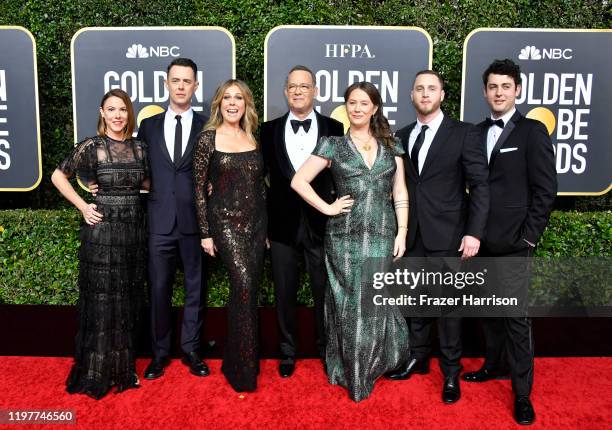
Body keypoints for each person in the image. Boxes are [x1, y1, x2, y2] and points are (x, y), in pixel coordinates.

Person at [291, 81, 409, 402]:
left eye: (364, 103)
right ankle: (351, 371)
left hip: (383, 233)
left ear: (374, 108)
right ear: (346, 107)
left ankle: (371, 364)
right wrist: (327, 207)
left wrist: (402, 232)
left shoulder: (392, 146)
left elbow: (399, 192)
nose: (357, 108)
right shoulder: (332, 145)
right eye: (352, 103)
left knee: (372, 299)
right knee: (349, 300)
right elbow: (298, 180)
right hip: (344, 236)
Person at [461, 59, 557, 425]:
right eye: (493, 87)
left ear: (517, 90)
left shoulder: (532, 131)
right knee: (489, 312)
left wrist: (529, 237)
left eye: (505, 86)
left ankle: (522, 394)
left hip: (516, 243)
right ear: (485, 91)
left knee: (516, 319)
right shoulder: (475, 131)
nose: (499, 92)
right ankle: (493, 366)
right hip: (480, 242)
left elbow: (546, 190)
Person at [386, 70, 489, 404]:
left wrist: (474, 231)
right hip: (411, 232)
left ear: (442, 95)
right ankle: (417, 357)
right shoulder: (400, 135)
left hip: (449, 234)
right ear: (411, 95)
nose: (425, 94)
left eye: (431, 89)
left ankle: (450, 371)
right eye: (419, 89)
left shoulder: (464, 133)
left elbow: (480, 186)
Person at [51, 89, 148, 399]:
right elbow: (58, 176)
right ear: (102, 113)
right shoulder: (92, 147)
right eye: (111, 109)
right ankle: (96, 369)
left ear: (128, 113)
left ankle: (122, 367)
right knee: (102, 300)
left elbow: (148, 184)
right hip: (103, 233)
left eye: (122, 109)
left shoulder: (140, 148)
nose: (117, 115)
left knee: (126, 299)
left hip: (133, 231)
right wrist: (83, 205)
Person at [260, 65, 344, 377]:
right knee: (284, 292)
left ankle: (325, 350)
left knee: (324, 292)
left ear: (315, 91)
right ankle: (287, 352)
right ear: (285, 91)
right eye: (293, 86)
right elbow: (258, 180)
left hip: (322, 225)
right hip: (281, 227)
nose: (298, 91)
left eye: (304, 86)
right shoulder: (267, 131)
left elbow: (342, 176)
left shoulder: (334, 128)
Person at [138, 58, 210, 380]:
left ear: (196, 86)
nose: (181, 86)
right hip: (159, 222)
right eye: (175, 80)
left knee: (196, 288)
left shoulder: (207, 126)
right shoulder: (148, 127)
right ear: (166, 84)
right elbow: (137, 169)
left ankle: (192, 350)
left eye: (187, 81)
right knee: (159, 289)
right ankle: (159, 354)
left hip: (195, 222)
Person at [193, 79, 266, 392]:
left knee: (246, 292)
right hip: (224, 222)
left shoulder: (252, 136)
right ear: (219, 104)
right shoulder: (208, 139)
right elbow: (198, 187)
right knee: (244, 285)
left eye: (239, 98)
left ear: (246, 103)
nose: (233, 103)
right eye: (227, 98)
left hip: (256, 223)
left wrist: (266, 229)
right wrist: (206, 233)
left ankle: (237, 358)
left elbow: (260, 186)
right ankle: (243, 369)